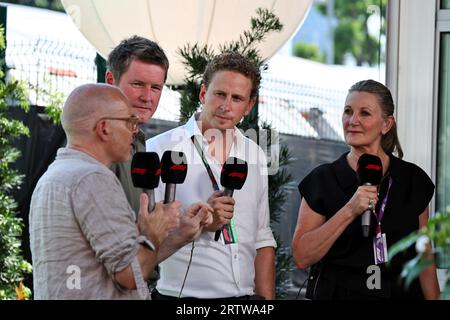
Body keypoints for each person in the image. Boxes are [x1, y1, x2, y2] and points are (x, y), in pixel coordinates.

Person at [29, 84, 211, 299]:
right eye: (130, 122)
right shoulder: (92, 179)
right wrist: (152, 232)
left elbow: (125, 263)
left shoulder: (57, 174)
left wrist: (178, 236)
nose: (135, 130)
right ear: (104, 128)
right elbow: (130, 274)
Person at [292, 79, 440, 300]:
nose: (353, 121)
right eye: (348, 111)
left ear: (386, 124)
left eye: (365, 113)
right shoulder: (323, 179)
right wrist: (350, 210)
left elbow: (424, 256)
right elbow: (302, 256)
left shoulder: (413, 180)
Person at [146, 52, 276, 299]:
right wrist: (200, 224)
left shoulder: (255, 154)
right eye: (220, 94)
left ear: (249, 106)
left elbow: (262, 235)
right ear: (203, 93)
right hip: (178, 297)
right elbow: (142, 238)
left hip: (243, 298)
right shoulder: (160, 150)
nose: (226, 106)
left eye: (237, 98)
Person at [105, 35, 169, 215]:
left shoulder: (138, 141)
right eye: (138, 84)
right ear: (111, 81)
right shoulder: (97, 143)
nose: (147, 97)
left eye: (156, 88)